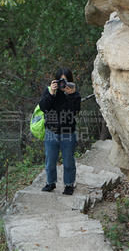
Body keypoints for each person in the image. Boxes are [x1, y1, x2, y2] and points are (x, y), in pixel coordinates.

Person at [39, 67, 81, 195]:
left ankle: (69, 185)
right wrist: (51, 93)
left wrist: (71, 95)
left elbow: (75, 111)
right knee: (50, 160)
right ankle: (50, 183)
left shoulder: (74, 93)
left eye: (66, 81)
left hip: (68, 132)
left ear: (70, 81)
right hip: (51, 132)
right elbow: (43, 107)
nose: (63, 84)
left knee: (68, 161)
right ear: (56, 81)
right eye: (61, 81)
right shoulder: (50, 92)